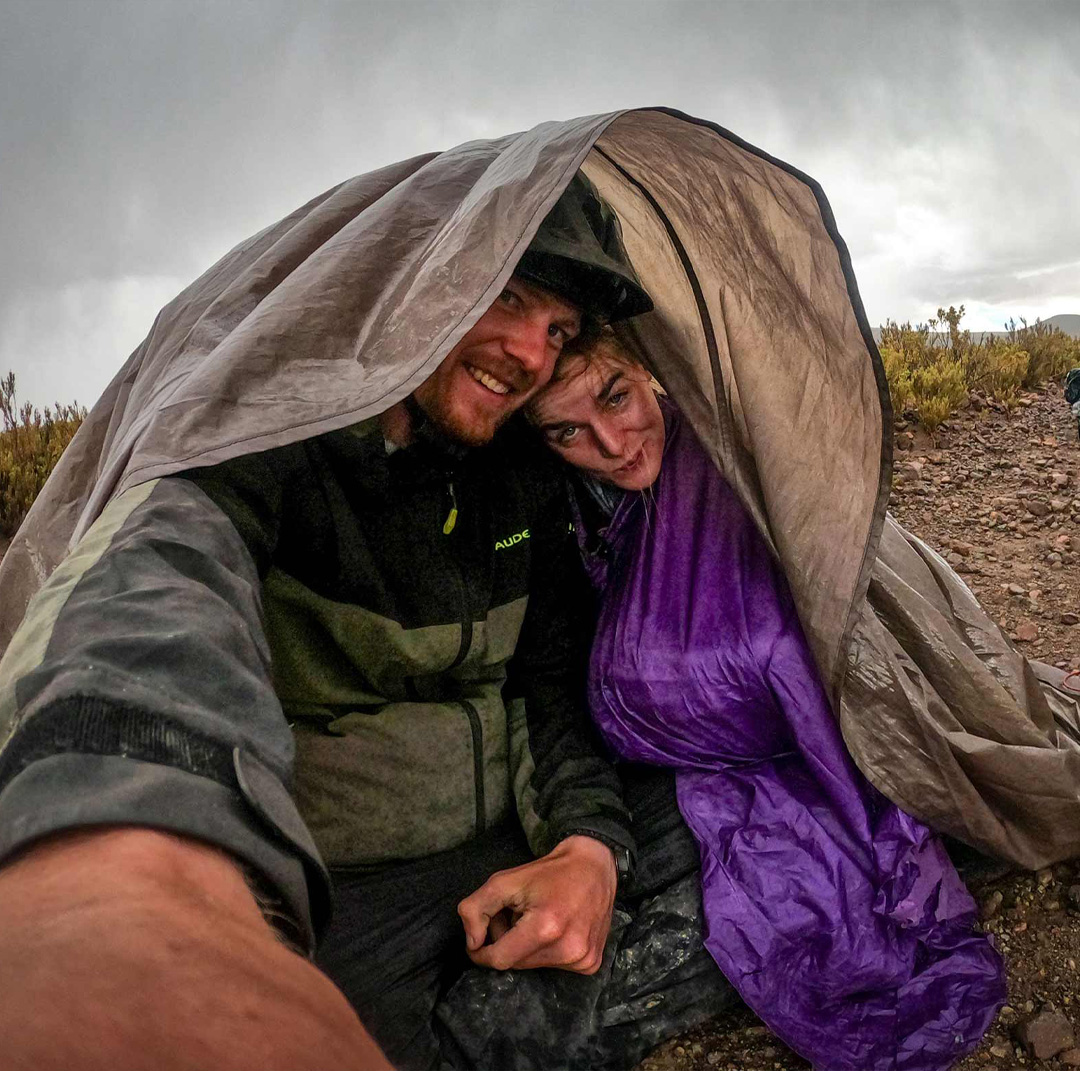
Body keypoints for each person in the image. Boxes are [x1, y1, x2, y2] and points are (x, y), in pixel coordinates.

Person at [0, 174, 735, 1071]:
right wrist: (131, 854)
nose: (529, 355)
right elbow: (157, 594)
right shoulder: (268, 439)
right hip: (351, 879)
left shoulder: (519, 467)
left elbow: (545, 680)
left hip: (511, 837)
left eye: (559, 329)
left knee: (738, 819)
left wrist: (587, 849)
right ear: (418, 281)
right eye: (507, 296)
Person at [526, 328, 1009, 1071]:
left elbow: (825, 638)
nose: (612, 443)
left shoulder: (738, 464)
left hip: (802, 735)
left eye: (616, 397)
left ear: (648, 369)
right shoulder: (573, 514)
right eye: (568, 431)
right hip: (675, 762)